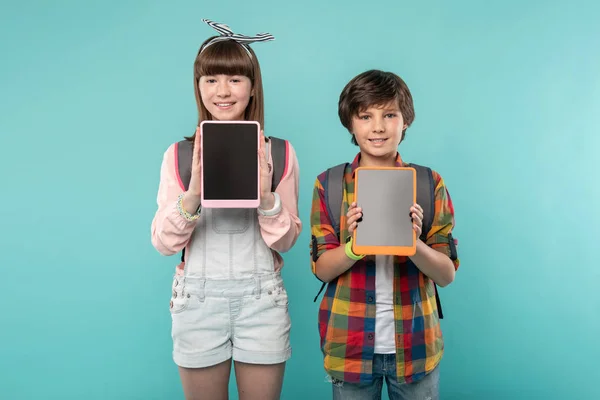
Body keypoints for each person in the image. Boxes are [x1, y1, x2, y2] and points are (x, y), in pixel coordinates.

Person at [151, 19, 302, 400]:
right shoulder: (180, 155)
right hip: (197, 301)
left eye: (235, 79)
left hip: (261, 299)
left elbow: (286, 242)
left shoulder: (280, 153)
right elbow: (163, 243)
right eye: (211, 80)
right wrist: (193, 195)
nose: (223, 91)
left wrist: (267, 199)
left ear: (252, 88)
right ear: (198, 87)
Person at [309, 69, 460, 400]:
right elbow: (321, 269)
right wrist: (353, 245)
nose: (377, 127)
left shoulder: (428, 183)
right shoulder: (330, 185)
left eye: (389, 114)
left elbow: (446, 274)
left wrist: (413, 244)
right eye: (365, 116)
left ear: (404, 121)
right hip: (347, 347)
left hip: (416, 348)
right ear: (351, 123)